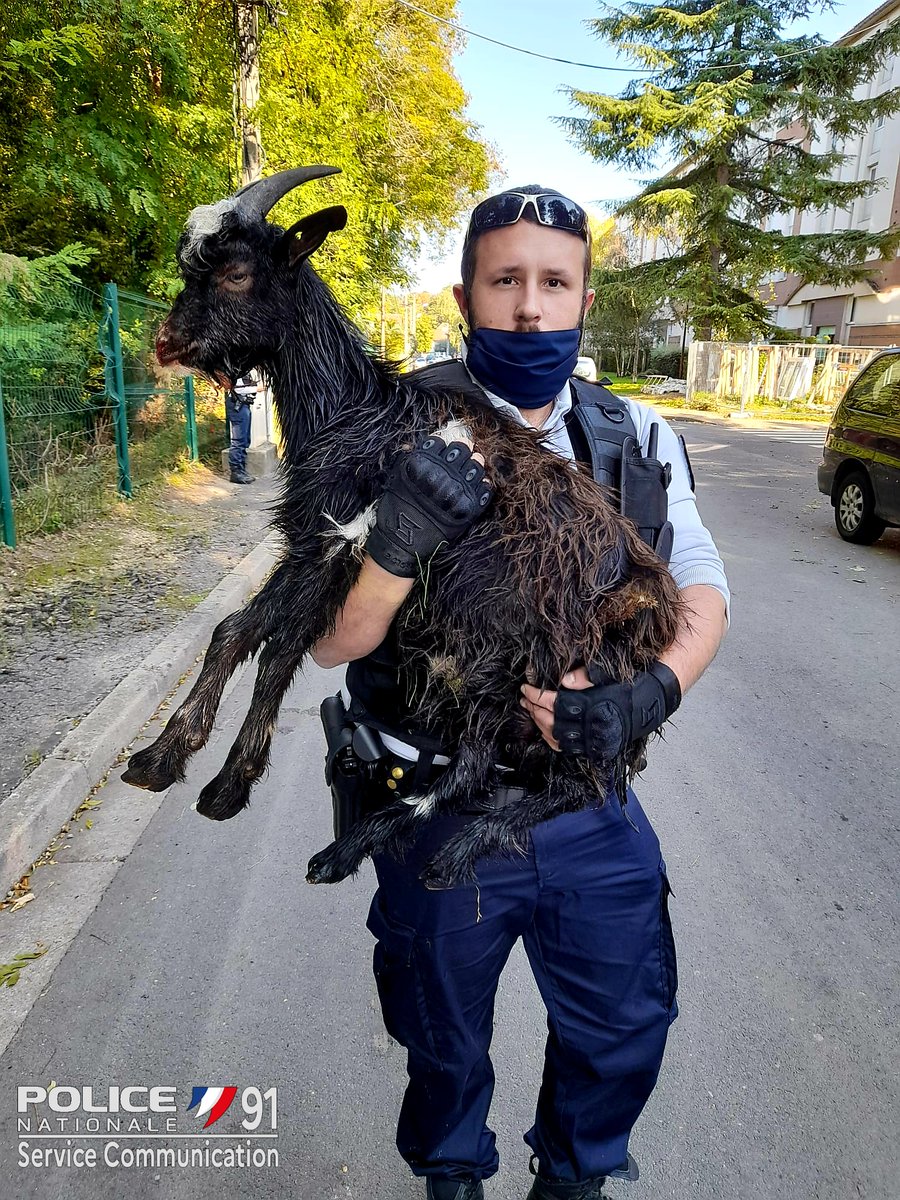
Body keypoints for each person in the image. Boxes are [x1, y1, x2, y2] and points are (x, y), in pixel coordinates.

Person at [311, 186, 729, 1200]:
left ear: (585, 298)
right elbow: (326, 643)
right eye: (507, 281)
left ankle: (572, 1178)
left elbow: (703, 591)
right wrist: (397, 542)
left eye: (554, 283)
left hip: (586, 799)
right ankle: (451, 1174)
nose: (531, 309)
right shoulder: (384, 434)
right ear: (467, 294)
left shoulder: (634, 437)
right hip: (437, 813)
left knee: (626, 1023)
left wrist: (649, 697)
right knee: (440, 1030)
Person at [225, 370, 262, 483]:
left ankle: (241, 470)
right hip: (238, 405)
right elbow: (238, 388)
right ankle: (236, 472)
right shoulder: (236, 370)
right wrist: (257, 388)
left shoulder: (242, 369)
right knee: (239, 440)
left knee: (245, 440)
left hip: (243, 405)